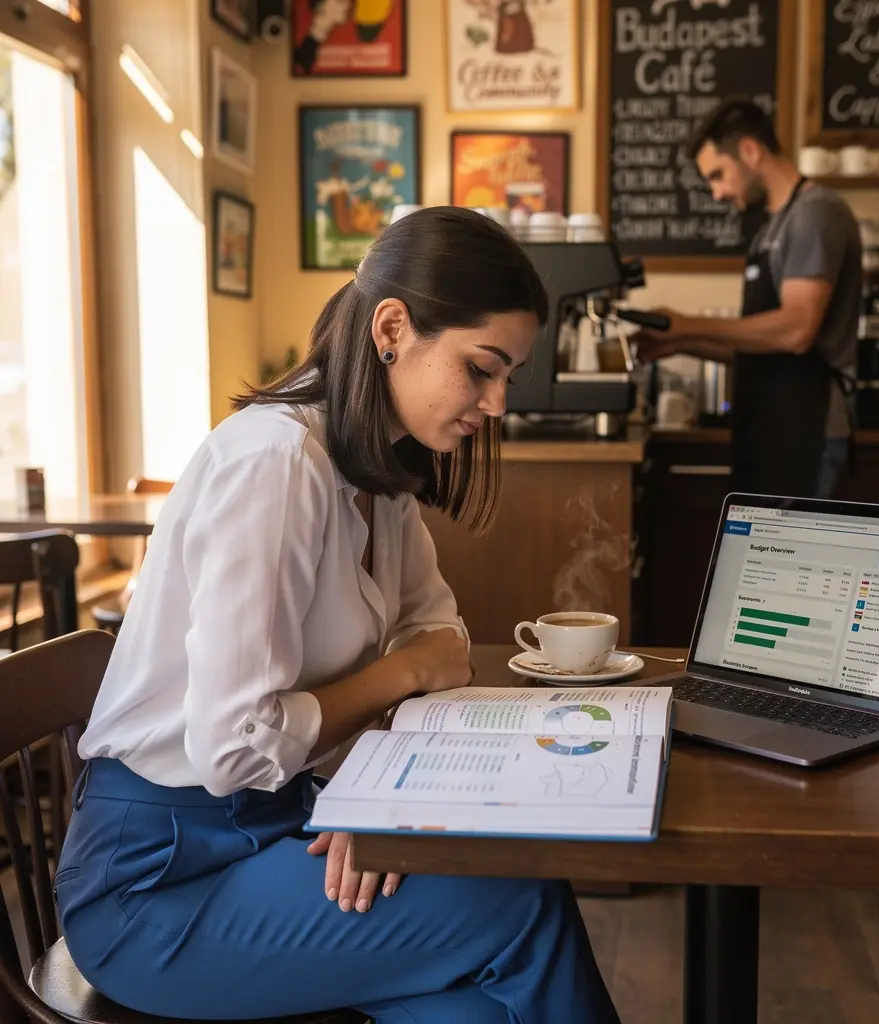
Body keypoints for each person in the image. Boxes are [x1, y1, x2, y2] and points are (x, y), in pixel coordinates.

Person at [54, 207, 621, 1024]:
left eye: (508, 377)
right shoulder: (275, 464)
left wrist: (366, 793)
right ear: (394, 328)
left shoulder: (376, 472)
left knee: (476, 1013)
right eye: (481, 369)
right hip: (158, 883)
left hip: (281, 822)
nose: (496, 403)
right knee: (524, 900)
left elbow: (445, 638)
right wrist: (396, 679)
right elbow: (233, 746)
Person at [635, 99, 862, 498]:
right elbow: (762, 346)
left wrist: (687, 322)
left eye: (718, 175)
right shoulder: (770, 229)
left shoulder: (815, 213)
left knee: (792, 563)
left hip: (807, 431)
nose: (717, 192)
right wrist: (678, 343)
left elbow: (795, 331)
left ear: (751, 152)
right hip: (770, 429)